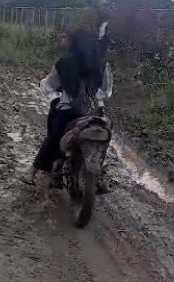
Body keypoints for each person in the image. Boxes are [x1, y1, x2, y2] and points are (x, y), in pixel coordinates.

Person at [24, 22, 113, 192]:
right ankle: (35, 170)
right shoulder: (97, 66)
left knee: (57, 136)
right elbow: (105, 91)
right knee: (102, 135)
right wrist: (93, 100)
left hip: (76, 112)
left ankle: (33, 171)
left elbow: (48, 85)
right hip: (85, 112)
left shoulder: (72, 64)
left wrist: (57, 100)